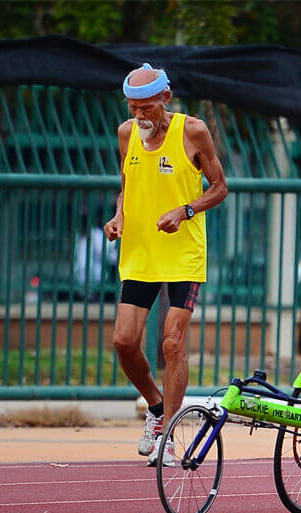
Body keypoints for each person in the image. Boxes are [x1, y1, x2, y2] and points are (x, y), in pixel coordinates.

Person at [104, 63, 228, 466]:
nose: (139, 116)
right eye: (133, 108)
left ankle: (169, 436)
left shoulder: (192, 131)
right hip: (139, 253)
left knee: (172, 343)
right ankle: (156, 408)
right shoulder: (126, 134)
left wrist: (186, 210)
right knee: (124, 342)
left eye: (146, 108)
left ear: (165, 100)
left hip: (182, 254)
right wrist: (119, 215)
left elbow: (220, 187)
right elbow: (127, 186)